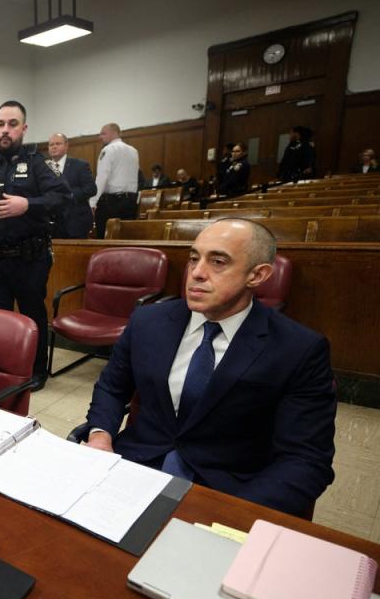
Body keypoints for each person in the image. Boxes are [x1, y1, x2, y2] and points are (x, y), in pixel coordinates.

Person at [82, 218, 335, 517]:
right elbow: (112, 388)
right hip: (135, 468)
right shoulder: (147, 322)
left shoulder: (299, 349)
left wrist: (233, 514)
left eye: (218, 261)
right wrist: (100, 436)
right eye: (193, 258)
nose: (196, 273)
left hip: (228, 490)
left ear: (257, 275)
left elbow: (305, 459)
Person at [0, 101, 72, 387]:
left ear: (24, 128)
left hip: (29, 259)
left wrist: (28, 204)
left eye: (12, 124)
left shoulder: (39, 163)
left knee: (33, 316)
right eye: (0, 124)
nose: (5, 130)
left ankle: (36, 372)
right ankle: (1, 372)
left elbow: (63, 197)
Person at [92, 123, 140, 239]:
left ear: (114, 133)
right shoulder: (134, 150)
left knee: (105, 239)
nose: (100, 136)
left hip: (112, 203)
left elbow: (102, 177)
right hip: (131, 201)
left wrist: (92, 202)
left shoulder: (108, 150)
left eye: (103, 133)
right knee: (126, 238)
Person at [44, 133, 96, 238]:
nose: (54, 147)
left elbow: (91, 189)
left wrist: (69, 195)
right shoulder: (43, 167)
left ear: (66, 146)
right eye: (51, 145)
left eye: (58, 144)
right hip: (51, 225)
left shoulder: (80, 165)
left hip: (76, 222)